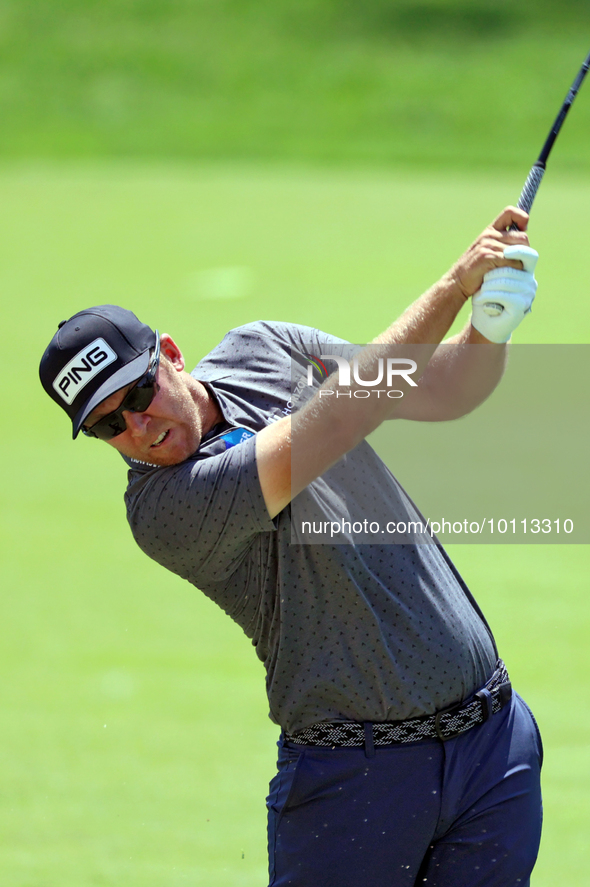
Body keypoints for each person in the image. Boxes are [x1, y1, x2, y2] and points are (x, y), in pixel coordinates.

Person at [40, 206, 543, 886]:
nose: (138, 425)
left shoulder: (262, 348)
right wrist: (455, 283)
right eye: (107, 425)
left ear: (168, 353)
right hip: (356, 780)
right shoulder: (163, 509)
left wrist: (488, 327)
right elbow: (334, 421)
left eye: (137, 392)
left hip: (491, 748)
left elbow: (441, 389)